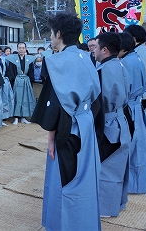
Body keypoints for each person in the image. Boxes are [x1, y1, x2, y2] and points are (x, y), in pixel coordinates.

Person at [31, 13, 102, 231]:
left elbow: (55, 103)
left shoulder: (57, 61)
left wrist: (51, 136)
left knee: (66, 181)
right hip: (86, 124)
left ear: (58, 34)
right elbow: (97, 96)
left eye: (51, 33)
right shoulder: (85, 57)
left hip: (68, 128)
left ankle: (67, 226)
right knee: (84, 178)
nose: (51, 38)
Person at [94, 32, 131, 217]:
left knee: (105, 168)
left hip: (108, 123)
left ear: (105, 50)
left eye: (96, 47)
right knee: (118, 166)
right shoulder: (122, 65)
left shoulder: (102, 71)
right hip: (122, 120)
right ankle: (118, 202)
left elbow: (97, 103)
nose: (94, 50)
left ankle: (105, 208)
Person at [118, 31, 146, 194]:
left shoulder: (126, 62)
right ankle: (137, 185)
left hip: (129, 107)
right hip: (137, 106)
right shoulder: (136, 58)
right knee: (139, 148)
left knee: (130, 148)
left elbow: (123, 90)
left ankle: (130, 185)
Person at [5, 42, 36, 125]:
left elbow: (31, 72)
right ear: (17, 49)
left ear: (25, 49)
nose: (21, 49)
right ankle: (16, 117)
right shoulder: (12, 59)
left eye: (23, 48)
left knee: (25, 99)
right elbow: (11, 72)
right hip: (16, 81)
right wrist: (13, 82)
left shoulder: (30, 59)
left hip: (26, 81)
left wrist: (30, 81)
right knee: (17, 99)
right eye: (19, 48)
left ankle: (23, 117)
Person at [0, 44, 13, 123]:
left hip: (5, 81)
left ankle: (4, 117)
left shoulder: (3, 59)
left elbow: (7, 70)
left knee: (5, 99)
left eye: (0, 52)